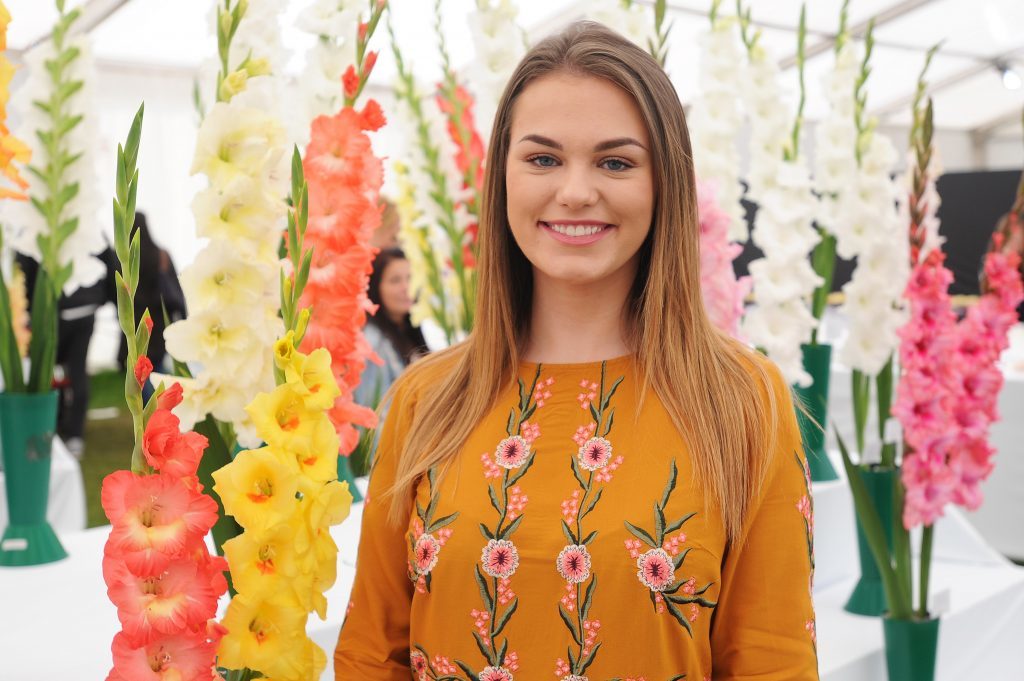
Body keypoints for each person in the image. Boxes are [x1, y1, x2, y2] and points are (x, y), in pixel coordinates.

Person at [335, 22, 818, 680]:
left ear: (664, 184)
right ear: (502, 177)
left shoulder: (743, 400)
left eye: (615, 161)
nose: (575, 191)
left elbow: (773, 660)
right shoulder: (427, 398)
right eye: (543, 159)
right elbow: (370, 653)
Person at [17, 246, 117, 458]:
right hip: (85, 309)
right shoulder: (89, 226)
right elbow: (111, 262)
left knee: (46, 370)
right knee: (76, 372)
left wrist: (31, 307)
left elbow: (26, 266)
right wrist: (101, 297)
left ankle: (49, 429)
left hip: (56, 310)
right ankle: (73, 435)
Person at [354, 247, 429, 409]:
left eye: (410, 278)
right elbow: (374, 413)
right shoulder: (372, 344)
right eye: (395, 280)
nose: (406, 287)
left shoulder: (407, 329)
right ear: (376, 287)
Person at [116, 212, 185, 376]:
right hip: (156, 324)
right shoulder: (161, 255)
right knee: (155, 371)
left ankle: (145, 400)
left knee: (138, 374)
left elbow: (116, 294)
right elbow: (176, 290)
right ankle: (152, 400)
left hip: (134, 322)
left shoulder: (124, 262)